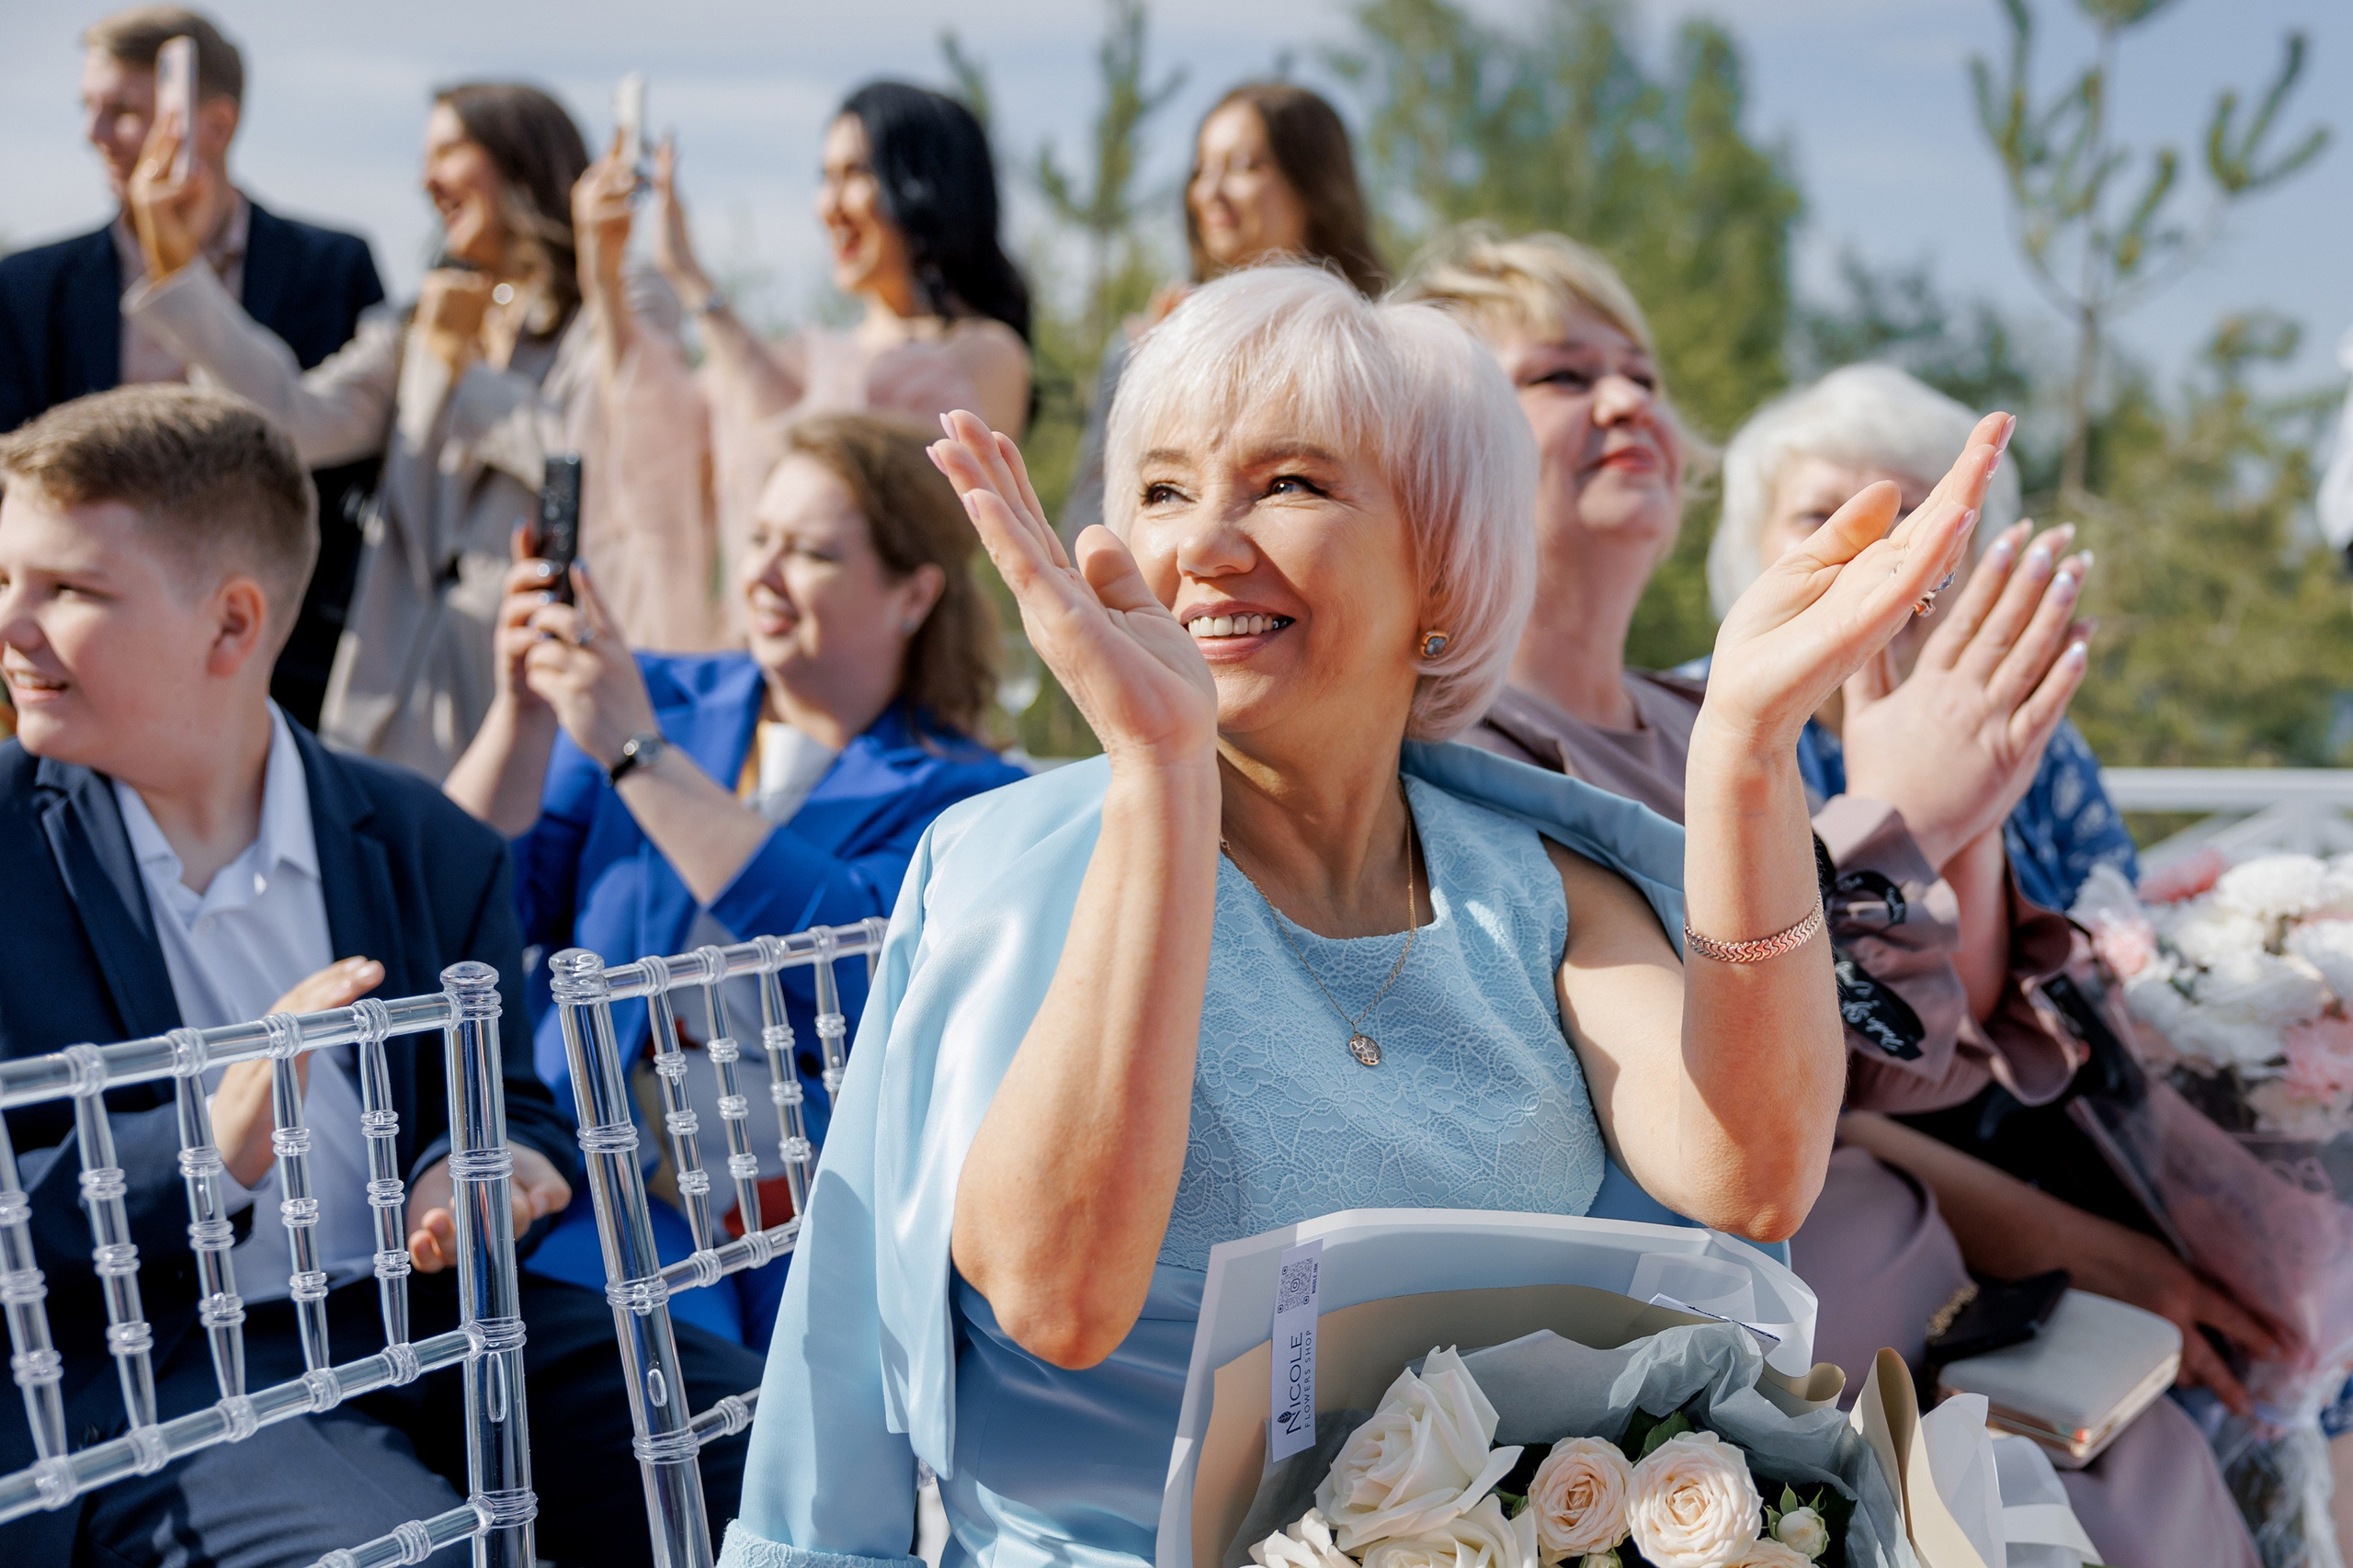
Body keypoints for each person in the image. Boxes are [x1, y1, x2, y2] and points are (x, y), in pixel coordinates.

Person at [713, 264, 2010, 1568]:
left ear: (1440, 571)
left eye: (1290, 483)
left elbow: (1752, 1168)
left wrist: (1745, 748)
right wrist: (1162, 780)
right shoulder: (1015, 872)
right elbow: (1058, 1301)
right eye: (1161, 490)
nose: (1204, 547)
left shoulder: (1539, 882)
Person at [1403, 230, 2265, 1566]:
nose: (1631, 400)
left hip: (1947, 1312)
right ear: (1446, 442)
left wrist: (1957, 821)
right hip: (1775, 1365)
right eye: (1564, 374)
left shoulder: (1708, 714)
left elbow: (1892, 1074)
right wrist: (1893, 821)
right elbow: (1715, 1115)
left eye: (1642, 371)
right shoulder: (1458, 756)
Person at [0, 385, 766, 1567]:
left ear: (232, 623)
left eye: (70, 590)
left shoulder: (425, 840)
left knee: (779, 1449)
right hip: (167, 1374)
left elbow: (509, 1102)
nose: (14, 625)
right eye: (11, 581)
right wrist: (207, 1146)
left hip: (449, 1322)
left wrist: (492, 1170)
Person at [443, 412, 1025, 1348]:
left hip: (813, 1212)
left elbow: (853, 951)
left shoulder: (968, 791)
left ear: (913, 592)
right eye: (758, 538)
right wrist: (518, 717)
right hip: (595, 1178)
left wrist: (640, 757)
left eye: (810, 553)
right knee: (648, 1362)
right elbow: (472, 903)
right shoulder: (655, 691)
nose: (760, 573)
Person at [116, 79, 711, 781]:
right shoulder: (416, 318)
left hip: (526, 702)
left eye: (451, 151)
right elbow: (293, 419)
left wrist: (467, 376)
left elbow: (611, 463)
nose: (427, 180)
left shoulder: (622, 303)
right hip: (387, 694)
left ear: (522, 159)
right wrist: (178, 267)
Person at [0, 6, 386, 731]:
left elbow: (347, 469)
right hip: (73, 669)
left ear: (213, 124)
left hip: (287, 668)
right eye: (90, 108)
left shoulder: (332, 267)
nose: (94, 135)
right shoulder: (26, 286)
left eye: (123, 111)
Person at [644, 82, 1033, 619]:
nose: (827, 206)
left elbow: (821, 453)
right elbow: (658, 450)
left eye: (855, 174)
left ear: (924, 186)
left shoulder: (985, 351)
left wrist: (693, 282)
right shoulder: (810, 356)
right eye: (824, 178)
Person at [1059, 81, 1385, 543]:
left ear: (1314, 182)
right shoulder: (1156, 341)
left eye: (1244, 166)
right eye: (1200, 170)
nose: (1209, 191)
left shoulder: (1382, 346)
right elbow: (1089, 521)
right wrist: (1147, 382)